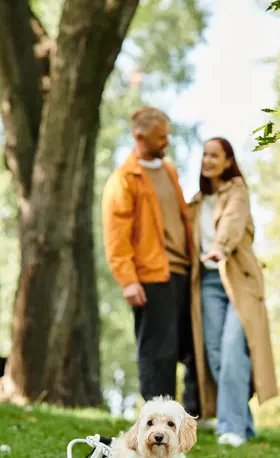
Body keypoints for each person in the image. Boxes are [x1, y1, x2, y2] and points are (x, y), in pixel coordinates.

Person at [102, 107, 199, 415]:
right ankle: (159, 418)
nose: (167, 142)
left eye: (168, 135)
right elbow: (117, 235)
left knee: (191, 344)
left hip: (184, 270)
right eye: (161, 137)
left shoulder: (168, 171)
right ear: (139, 136)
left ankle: (194, 414)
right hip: (151, 276)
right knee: (159, 350)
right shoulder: (124, 180)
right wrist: (128, 280)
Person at [188, 137, 277, 446]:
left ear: (228, 161)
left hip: (239, 279)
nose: (208, 160)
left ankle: (232, 428)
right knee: (214, 353)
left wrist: (219, 247)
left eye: (215, 155)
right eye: (205, 155)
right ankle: (242, 423)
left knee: (231, 350)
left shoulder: (237, 189)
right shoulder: (197, 201)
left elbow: (233, 222)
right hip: (209, 284)